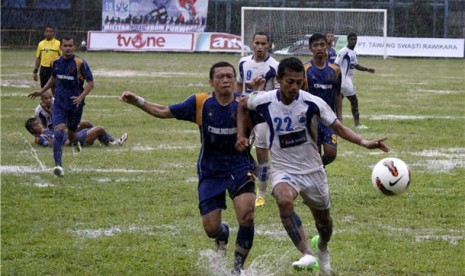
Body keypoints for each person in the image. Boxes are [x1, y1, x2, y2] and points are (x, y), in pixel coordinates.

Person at [235, 57, 389, 275]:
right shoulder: (263, 99)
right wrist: (242, 135)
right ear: (278, 79)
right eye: (290, 81)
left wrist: (364, 142)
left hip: (313, 171)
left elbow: (338, 127)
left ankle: (322, 248)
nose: (295, 87)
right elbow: (242, 104)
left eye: (299, 82)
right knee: (284, 200)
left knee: (324, 223)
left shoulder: (312, 103)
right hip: (283, 169)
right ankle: (307, 253)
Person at [120, 61, 256, 274]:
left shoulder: (245, 104)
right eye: (220, 77)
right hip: (211, 171)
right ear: (211, 82)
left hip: (240, 167)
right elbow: (164, 111)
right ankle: (222, 234)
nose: (226, 80)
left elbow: (272, 114)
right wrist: (138, 101)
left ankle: (237, 269)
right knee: (211, 229)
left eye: (230, 76)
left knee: (247, 215)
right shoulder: (201, 102)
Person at [28, 37, 94, 177]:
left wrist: (81, 97)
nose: (68, 48)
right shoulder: (55, 62)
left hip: (75, 105)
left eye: (70, 45)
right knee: (58, 133)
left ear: (74, 47)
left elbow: (90, 83)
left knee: (71, 132)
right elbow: (53, 78)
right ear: (61, 47)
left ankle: (75, 142)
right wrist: (41, 91)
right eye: (65, 46)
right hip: (59, 103)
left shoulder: (80, 63)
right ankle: (58, 166)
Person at [237, 31, 279, 207]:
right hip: (245, 112)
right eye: (257, 43)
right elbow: (239, 84)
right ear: (252, 44)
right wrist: (237, 100)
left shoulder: (275, 66)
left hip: (262, 114)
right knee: (240, 149)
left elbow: (278, 93)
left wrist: (260, 91)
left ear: (269, 45)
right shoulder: (243, 63)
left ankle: (260, 193)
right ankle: (264, 175)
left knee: (262, 154)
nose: (260, 47)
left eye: (264, 44)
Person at [303, 33, 342, 166]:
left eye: (322, 45)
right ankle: (318, 172)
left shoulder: (335, 70)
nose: (319, 48)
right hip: (312, 119)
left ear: (326, 46)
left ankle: (321, 167)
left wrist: (340, 118)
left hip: (329, 118)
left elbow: (337, 95)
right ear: (310, 48)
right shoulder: (305, 69)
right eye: (316, 45)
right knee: (315, 154)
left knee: (331, 153)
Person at [334, 32, 375, 129]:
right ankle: (357, 124)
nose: (353, 41)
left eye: (355, 39)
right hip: (344, 81)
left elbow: (356, 65)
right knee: (354, 101)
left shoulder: (353, 52)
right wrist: (336, 78)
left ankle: (335, 123)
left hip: (347, 81)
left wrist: (367, 69)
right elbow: (336, 64)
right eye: (351, 39)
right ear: (348, 40)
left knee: (337, 103)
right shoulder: (344, 51)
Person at [25, 117, 127, 149]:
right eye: (35, 125)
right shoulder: (40, 137)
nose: (39, 125)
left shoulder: (49, 128)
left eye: (38, 123)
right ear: (32, 130)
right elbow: (48, 145)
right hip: (70, 140)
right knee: (99, 129)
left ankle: (97, 138)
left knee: (84, 123)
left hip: (70, 135)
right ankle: (112, 142)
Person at [33, 26, 61, 94]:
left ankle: (56, 103)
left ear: (53, 33)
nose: (49, 33)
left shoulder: (58, 43)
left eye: (50, 31)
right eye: (47, 31)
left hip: (54, 69)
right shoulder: (41, 44)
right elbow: (38, 58)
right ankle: (45, 104)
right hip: (43, 69)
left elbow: (62, 57)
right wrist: (35, 71)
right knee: (44, 89)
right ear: (44, 33)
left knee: (55, 88)